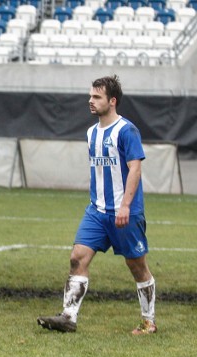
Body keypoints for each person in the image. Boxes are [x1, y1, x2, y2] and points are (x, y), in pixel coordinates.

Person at [37, 75, 157, 335]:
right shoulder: (91, 133)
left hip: (125, 212)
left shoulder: (127, 130)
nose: (90, 101)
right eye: (90, 96)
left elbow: (134, 169)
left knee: (137, 266)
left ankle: (149, 322)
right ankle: (68, 317)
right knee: (77, 257)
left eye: (96, 97)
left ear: (112, 101)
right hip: (96, 211)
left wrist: (125, 205)